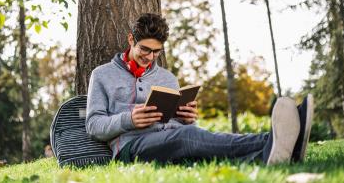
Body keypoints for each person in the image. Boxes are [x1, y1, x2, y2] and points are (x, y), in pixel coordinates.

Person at [85, 13, 314, 165]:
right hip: (131, 148)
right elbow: (93, 125)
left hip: (174, 137)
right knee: (188, 137)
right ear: (130, 39)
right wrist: (129, 120)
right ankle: (276, 138)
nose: (150, 57)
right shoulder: (102, 75)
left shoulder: (167, 78)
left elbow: (184, 127)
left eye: (156, 52)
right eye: (145, 49)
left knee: (199, 139)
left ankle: (274, 153)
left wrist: (188, 118)